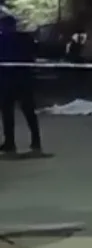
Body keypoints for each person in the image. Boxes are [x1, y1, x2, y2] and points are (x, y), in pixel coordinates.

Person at [0, 15, 43, 156]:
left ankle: (11, 143)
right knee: (26, 112)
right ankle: (34, 142)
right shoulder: (25, 38)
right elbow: (35, 52)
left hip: (8, 81)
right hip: (22, 80)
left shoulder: (3, 40)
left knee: (10, 113)